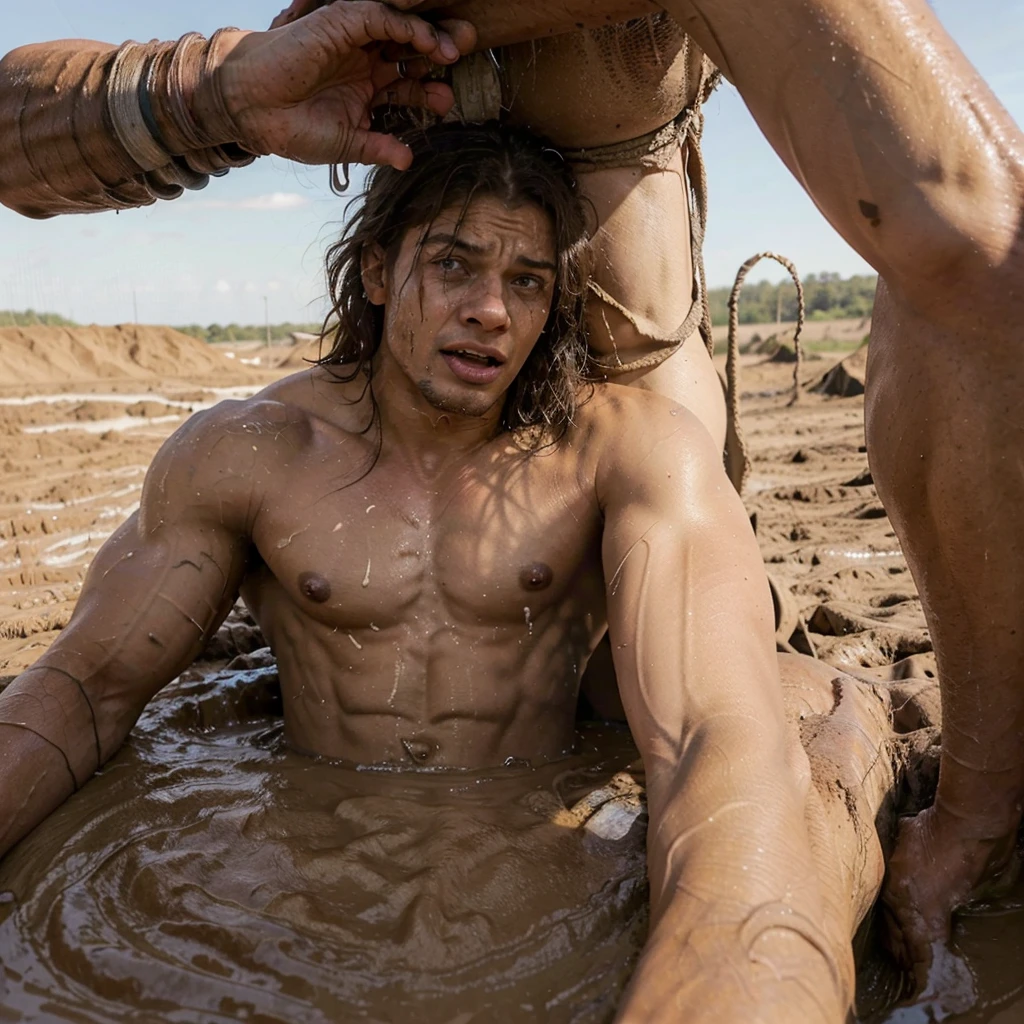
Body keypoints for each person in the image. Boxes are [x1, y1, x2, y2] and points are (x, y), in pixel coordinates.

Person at [3, 0, 1022, 986]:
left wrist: (964, 814)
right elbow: (84, 688)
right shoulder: (255, 450)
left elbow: (971, 239)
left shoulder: (623, 450)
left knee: (746, 725)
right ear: (375, 272)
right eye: (453, 268)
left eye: (520, 284)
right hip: (395, 465)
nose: (488, 309)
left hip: (634, 362)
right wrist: (213, 92)